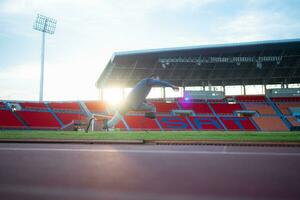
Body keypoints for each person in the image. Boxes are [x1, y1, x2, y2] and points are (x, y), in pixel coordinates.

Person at [104, 75, 179, 129]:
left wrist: (146, 101)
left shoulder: (144, 85)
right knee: (152, 107)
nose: (156, 83)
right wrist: (171, 86)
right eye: (156, 80)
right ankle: (150, 115)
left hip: (128, 103)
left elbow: (139, 95)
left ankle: (107, 125)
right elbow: (160, 82)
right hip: (134, 104)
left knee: (117, 117)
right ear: (153, 78)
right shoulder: (148, 80)